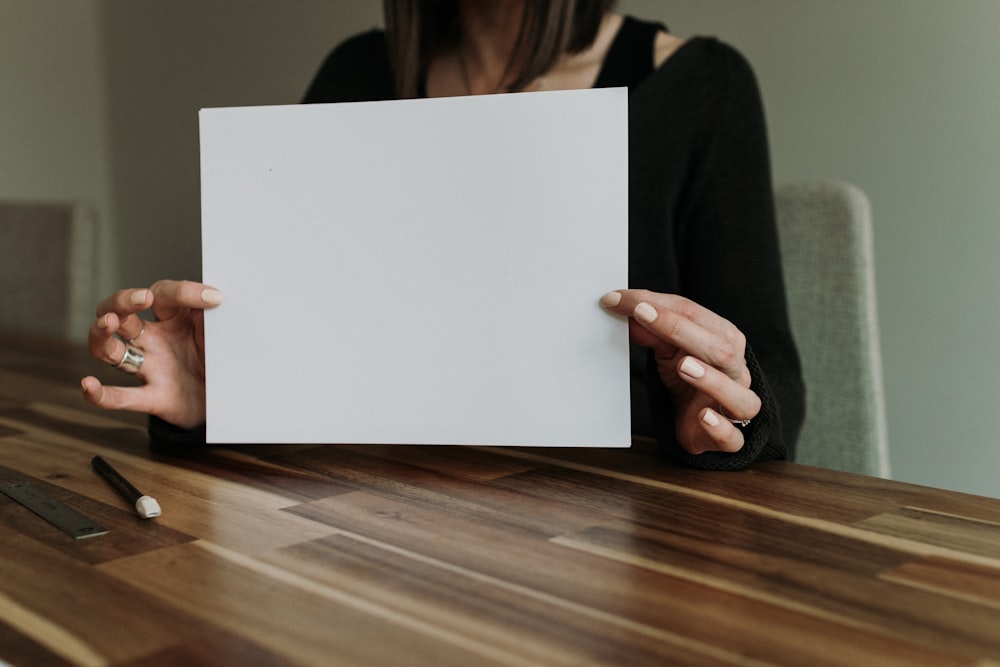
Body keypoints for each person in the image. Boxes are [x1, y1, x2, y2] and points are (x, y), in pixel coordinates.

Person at [82, 0, 805, 471]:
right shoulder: (357, 74)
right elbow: (311, 365)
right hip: (364, 526)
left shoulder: (701, 87)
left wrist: (714, 409)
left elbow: (773, 396)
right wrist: (223, 390)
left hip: (614, 538)